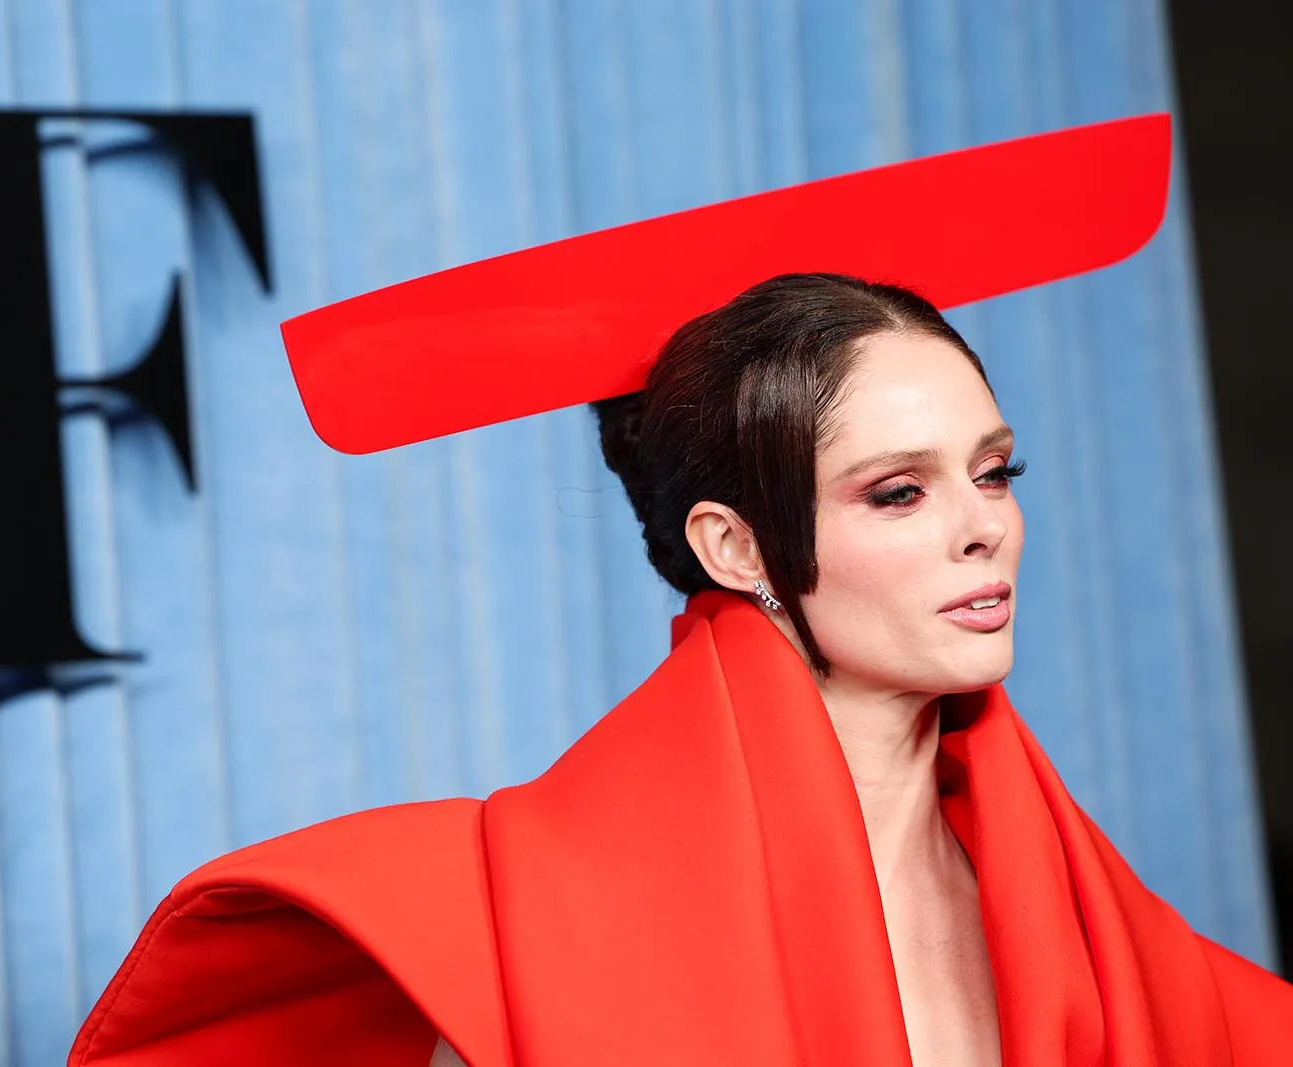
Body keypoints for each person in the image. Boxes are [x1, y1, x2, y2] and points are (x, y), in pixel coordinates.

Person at [68, 124, 1292, 1067]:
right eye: (896, 491)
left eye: (992, 470)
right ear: (734, 545)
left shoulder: (1112, 936)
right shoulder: (505, 928)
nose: (984, 525)